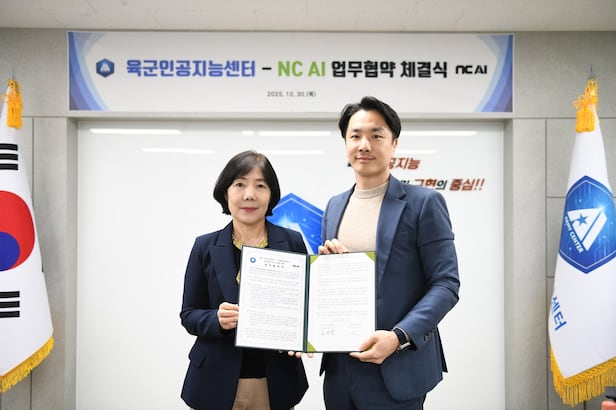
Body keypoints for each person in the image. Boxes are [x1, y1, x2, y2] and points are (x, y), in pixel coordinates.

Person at [318, 96, 460, 410]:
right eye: (355, 136)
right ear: (345, 144)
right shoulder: (334, 206)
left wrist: (398, 337)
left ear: (394, 144)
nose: (364, 145)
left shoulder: (423, 202)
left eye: (376, 135)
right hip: (341, 370)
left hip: (398, 367)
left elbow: (446, 284)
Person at [180, 150, 309, 410]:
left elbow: (306, 307)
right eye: (239, 184)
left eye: (260, 186)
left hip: (276, 381)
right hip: (214, 380)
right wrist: (216, 320)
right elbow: (189, 314)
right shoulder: (204, 246)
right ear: (225, 193)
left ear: (271, 194)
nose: (249, 194)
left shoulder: (292, 242)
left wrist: (303, 335)